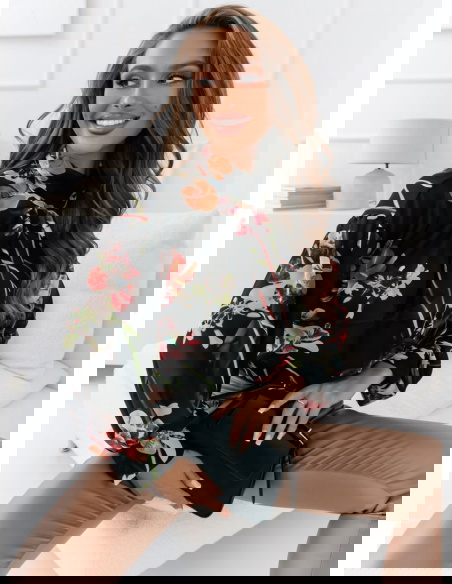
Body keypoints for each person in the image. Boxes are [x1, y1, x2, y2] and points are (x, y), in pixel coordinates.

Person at [2, 4, 452, 577]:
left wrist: (326, 394)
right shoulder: (34, 183)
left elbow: (414, 352)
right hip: (209, 395)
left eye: (170, 84)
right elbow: (251, 320)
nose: (131, 99)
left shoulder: (105, 209)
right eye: (137, 76)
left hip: (260, 403)